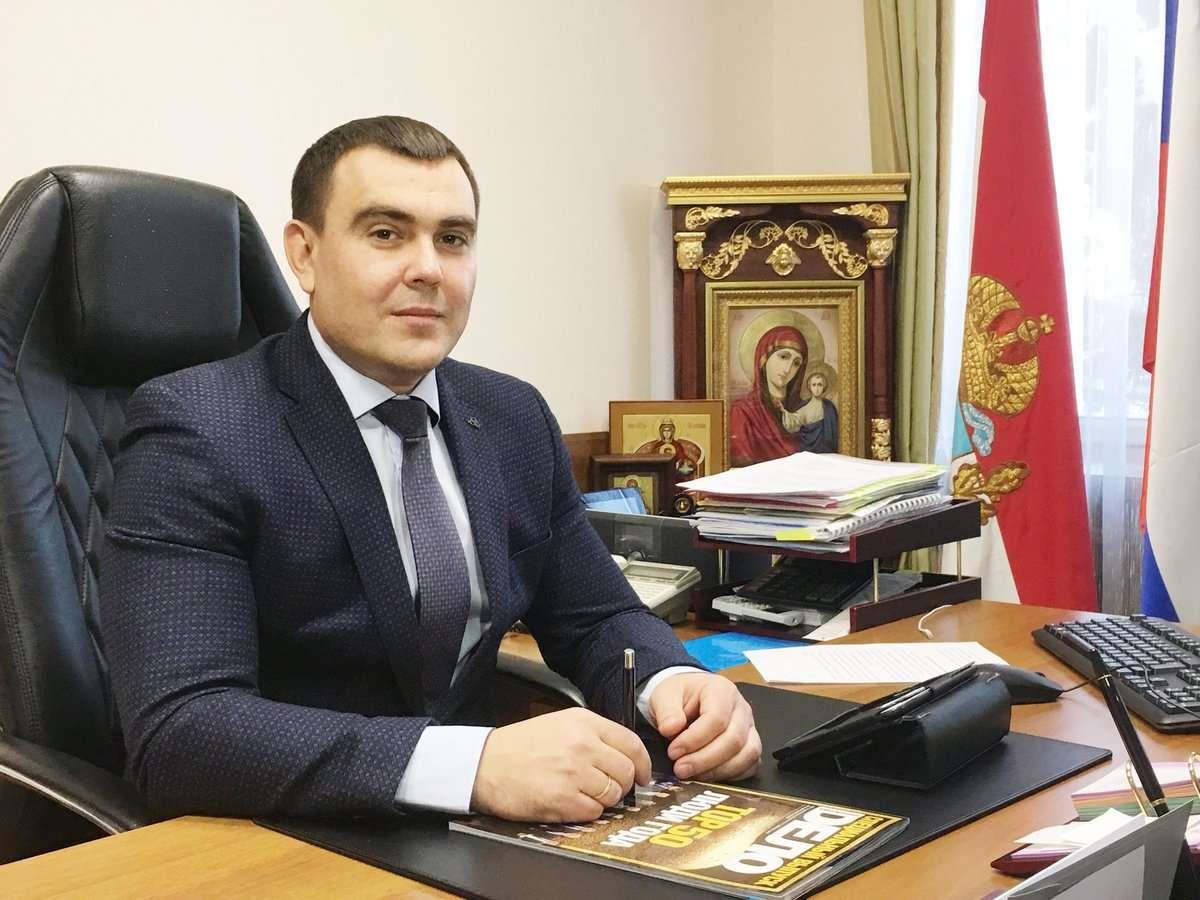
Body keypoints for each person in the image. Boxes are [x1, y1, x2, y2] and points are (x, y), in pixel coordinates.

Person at [99, 116, 760, 824]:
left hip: (479, 834)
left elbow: (596, 615)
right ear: (305, 254)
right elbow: (183, 731)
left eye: (453, 238)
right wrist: (471, 766)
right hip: (285, 834)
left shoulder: (511, 415)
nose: (428, 269)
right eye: (386, 233)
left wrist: (674, 685)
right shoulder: (199, 429)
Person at [728, 325, 809, 466]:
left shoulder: (803, 410)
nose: (788, 369)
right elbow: (742, 463)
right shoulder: (743, 411)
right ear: (763, 358)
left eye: (796, 363)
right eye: (783, 357)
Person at [635, 418, 704, 477]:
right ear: (661, 432)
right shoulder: (658, 445)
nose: (667, 433)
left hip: (675, 472)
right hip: (660, 471)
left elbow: (682, 459)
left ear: (672, 432)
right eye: (664, 431)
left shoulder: (677, 445)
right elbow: (653, 459)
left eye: (669, 431)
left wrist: (680, 464)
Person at [792, 371, 839, 453]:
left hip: (825, 449)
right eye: (814, 385)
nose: (816, 388)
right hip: (806, 449)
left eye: (819, 385)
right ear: (809, 387)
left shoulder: (829, 406)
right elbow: (794, 421)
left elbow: (833, 432)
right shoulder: (804, 405)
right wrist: (783, 411)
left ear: (824, 387)